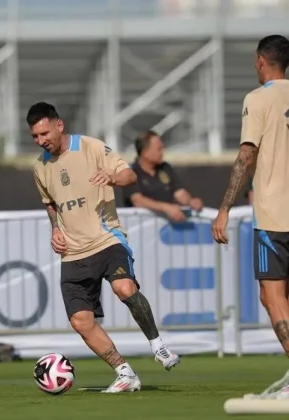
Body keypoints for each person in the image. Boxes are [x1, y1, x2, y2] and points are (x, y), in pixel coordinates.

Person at [29, 102, 180, 393]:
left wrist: (110, 177)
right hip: (72, 252)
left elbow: (130, 176)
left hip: (106, 239)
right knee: (80, 321)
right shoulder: (40, 166)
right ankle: (125, 373)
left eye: (44, 133)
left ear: (59, 125)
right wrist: (55, 229)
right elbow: (50, 203)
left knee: (124, 288)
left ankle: (158, 346)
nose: (41, 140)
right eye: (35, 137)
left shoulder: (91, 147)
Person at [212, 34, 289, 399]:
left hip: (274, 215)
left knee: (272, 296)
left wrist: (224, 208)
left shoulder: (257, 99)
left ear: (261, 61)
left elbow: (247, 155)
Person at [123, 130, 204, 221]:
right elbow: (138, 200)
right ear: (145, 152)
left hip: (164, 228)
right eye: (159, 149)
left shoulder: (165, 168)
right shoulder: (130, 172)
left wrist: (191, 201)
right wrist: (166, 208)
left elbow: (180, 193)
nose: (163, 152)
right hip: (140, 228)